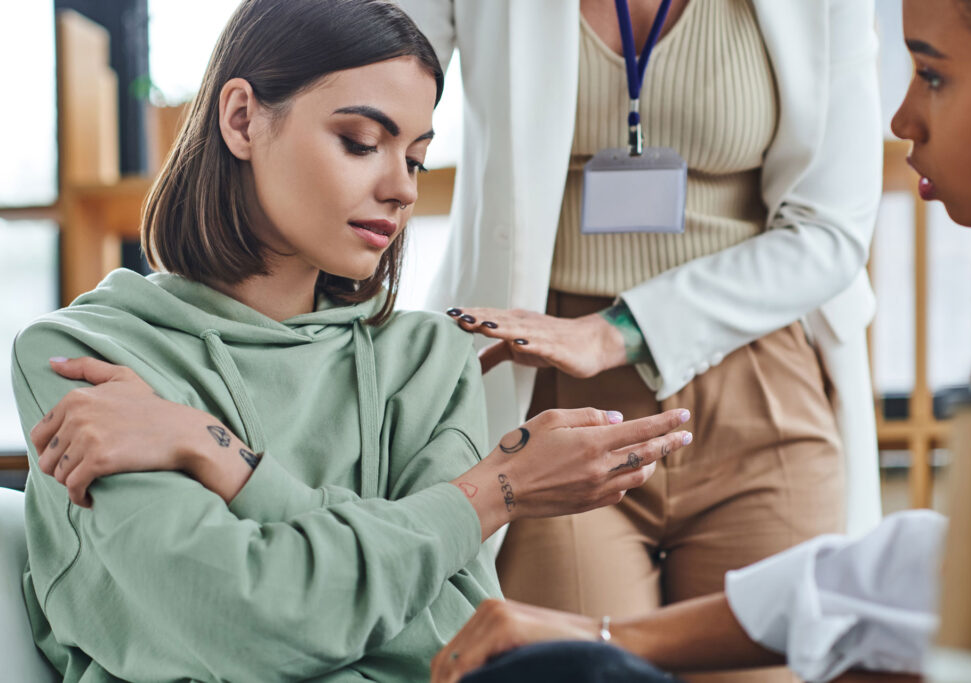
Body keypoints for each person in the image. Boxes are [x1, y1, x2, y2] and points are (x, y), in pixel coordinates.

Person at [11, 2, 689, 681]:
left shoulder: (427, 359)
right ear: (242, 118)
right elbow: (241, 622)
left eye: (417, 160)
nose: (399, 189)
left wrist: (221, 454)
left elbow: (454, 635)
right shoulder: (81, 358)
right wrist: (489, 491)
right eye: (362, 142)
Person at [429, 0, 971, 680]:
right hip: (557, 399)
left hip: (762, 385)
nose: (902, 118)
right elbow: (357, 68)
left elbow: (832, 229)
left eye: (931, 75)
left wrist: (618, 330)